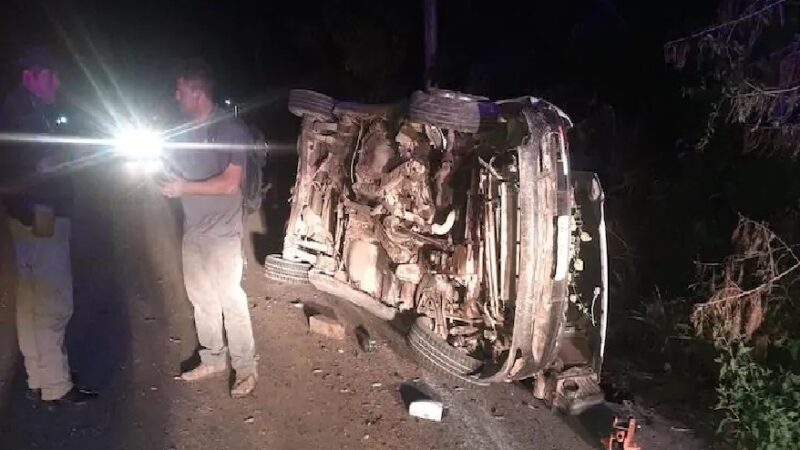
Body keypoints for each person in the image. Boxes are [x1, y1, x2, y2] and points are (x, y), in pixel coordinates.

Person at [0, 45, 97, 405]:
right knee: (53, 303)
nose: (57, 81)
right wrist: (72, 155)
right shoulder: (24, 115)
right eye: (50, 75)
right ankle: (56, 386)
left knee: (30, 301)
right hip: (42, 219)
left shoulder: (18, 109)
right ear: (30, 76)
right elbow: (40, 165)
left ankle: (39, 377)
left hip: (22, 218)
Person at [161, 58, 257, 398]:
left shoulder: (229, 130)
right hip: (194, 229)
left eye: (181, 90)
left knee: (230, 298)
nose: (176, 95)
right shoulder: (186, 130)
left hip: (221, 233)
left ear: (197, 92)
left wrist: (183, 188)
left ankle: (246, 367)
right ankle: (214, 357)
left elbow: (230, 184)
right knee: (201, 299)